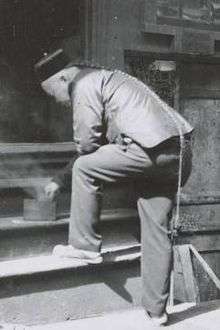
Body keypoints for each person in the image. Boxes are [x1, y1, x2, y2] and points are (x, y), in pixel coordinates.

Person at [35, 49, 194, 326]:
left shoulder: (83, 84)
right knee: (157, 228)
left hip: (149, 149)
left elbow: (86, 148)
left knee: (84, 168)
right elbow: (98, 150)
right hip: (177, 153)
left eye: (53, 95)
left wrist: (63, 178)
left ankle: (84, 245)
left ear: (63, 78)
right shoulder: (106, 79)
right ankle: (157, 312)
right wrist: (59, 180)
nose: (59, 102)